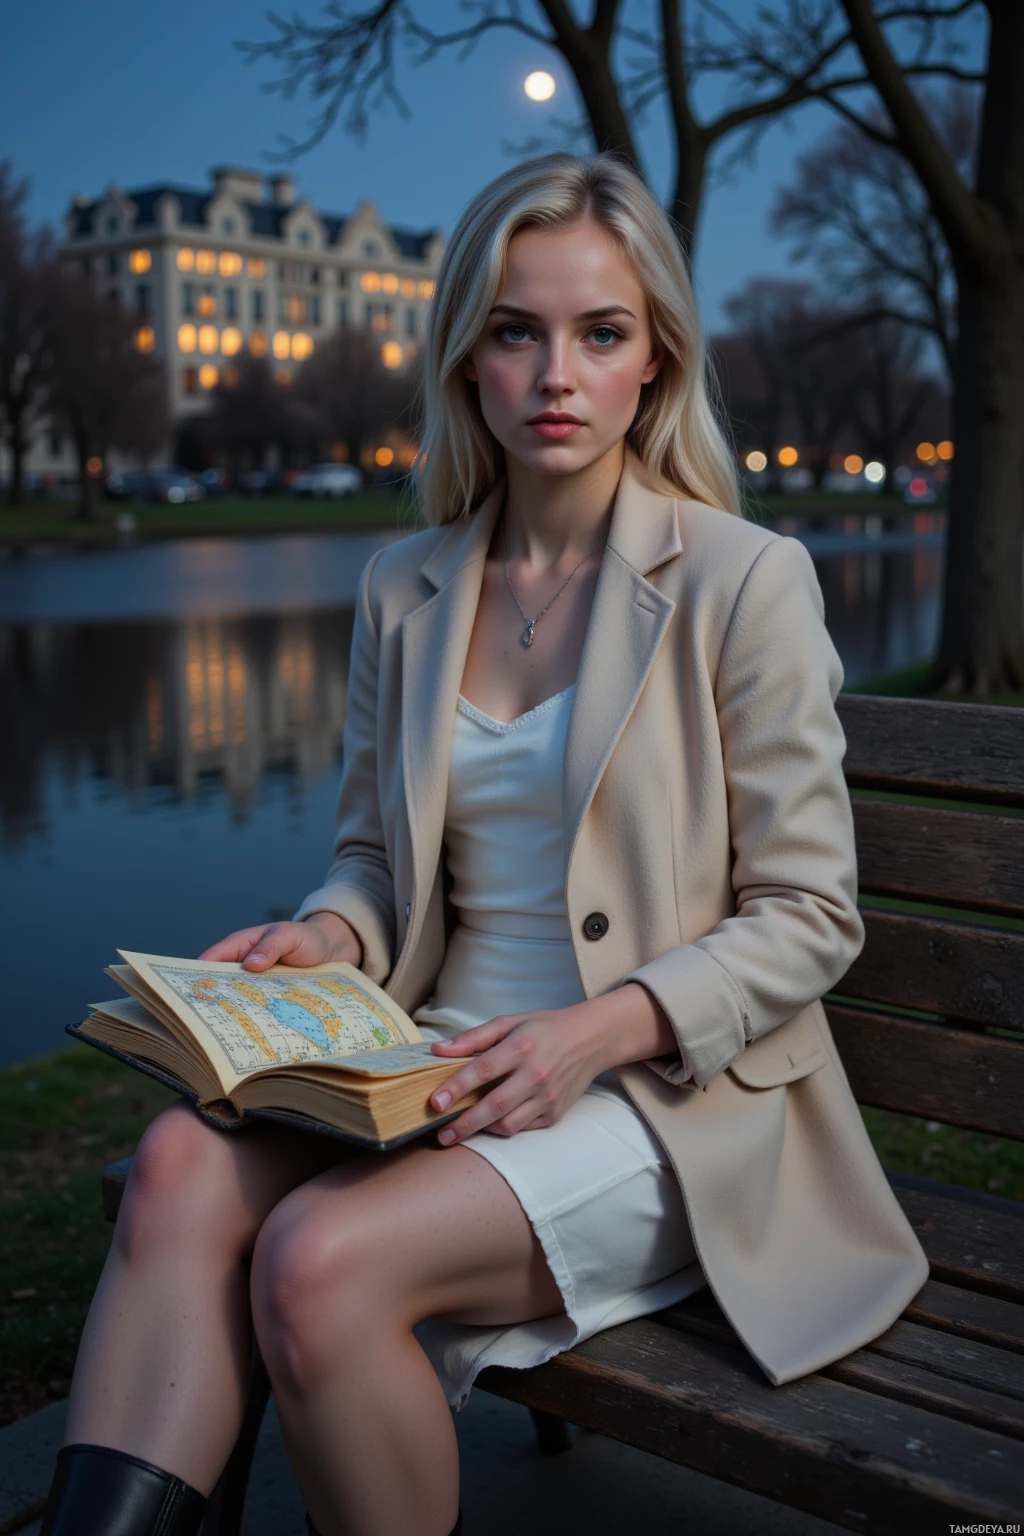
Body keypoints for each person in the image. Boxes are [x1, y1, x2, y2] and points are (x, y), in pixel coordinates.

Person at [41, 152, 929, 1536]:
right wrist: (326, 935)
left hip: (661, 1103)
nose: (556, 374)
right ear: (467, 359)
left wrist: (599, 1031)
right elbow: (373, 863)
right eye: (517, 331)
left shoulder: (745, 581)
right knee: (175, 1166)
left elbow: (810, 914)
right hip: (432, 1066)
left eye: (601, 333)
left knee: (315, 1260)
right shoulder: (407, 585)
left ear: (656, 360)